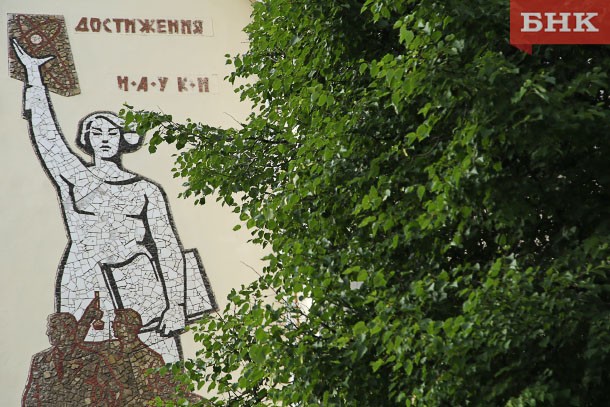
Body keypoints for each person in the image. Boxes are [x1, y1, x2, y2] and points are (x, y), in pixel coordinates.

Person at [11, 38, 199, 362]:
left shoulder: (145, 190)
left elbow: (167, 246)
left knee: (155, 367)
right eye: (96, 132)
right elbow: (47, 139)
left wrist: (176, 306)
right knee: (86, 369)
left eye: (112, 132)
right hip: (86, 280)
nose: (105, 138)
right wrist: (35, 79)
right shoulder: (75, 176)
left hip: (138, 281)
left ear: (123, 139)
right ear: (87, 140)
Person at [22, 312, 123, 406]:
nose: (48, 332)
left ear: (69, 330)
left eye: (54, 328)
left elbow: (113, 391)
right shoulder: (39, 360)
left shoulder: (94, 359)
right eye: (49, 328)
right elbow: (31, 397)